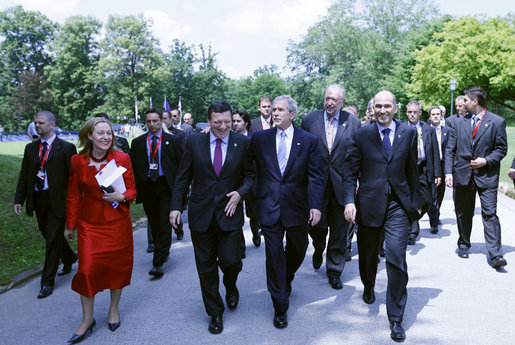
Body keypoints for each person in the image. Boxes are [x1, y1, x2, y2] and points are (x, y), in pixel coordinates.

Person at [170, 100, 255, 334]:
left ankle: (230, 285)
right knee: (205, 267)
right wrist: (176, 207)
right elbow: (183, 176)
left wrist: (240, 193)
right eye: (217, 122)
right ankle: (215, 312)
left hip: (230, 212)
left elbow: (250, 175)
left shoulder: (243, 143)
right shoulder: (194, 141)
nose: (223, 126)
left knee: (231, 261)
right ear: (208, 121)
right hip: (201, 214)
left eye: (228, 121)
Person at [343, 91, 421, 342]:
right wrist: (349, 201)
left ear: (396, 108)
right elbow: (349, 172)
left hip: (398, 205)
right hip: (368, 205)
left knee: (397, 258)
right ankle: (368, 284)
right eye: (379, 106)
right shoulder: (362, 134)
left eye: (388, 106)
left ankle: (396, 318)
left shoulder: (407, 133)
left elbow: (412, 171)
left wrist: (416, 203)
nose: (383, 110)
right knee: (368, 255)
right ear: (373, 109)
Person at [249, 95, 324, 329]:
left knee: (298, 249)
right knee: (273, 256)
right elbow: (251, 171)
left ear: (292, 114)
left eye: (281, 110)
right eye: (273, 109)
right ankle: (280, 305)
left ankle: (286, 278)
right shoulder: (260, 139)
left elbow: (316, 176)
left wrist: (315, 205)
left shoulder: (309, 140)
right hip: (269, 206)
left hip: (297, 207)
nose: (275, 113)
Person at [64, 117, 136, 343]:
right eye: (101, 133)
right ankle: (87, 319)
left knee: (117, 268)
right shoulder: (77, 161)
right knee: (86, 269)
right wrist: (70, 225)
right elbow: (74, 195)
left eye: (109, 133)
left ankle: (113, 310)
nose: (106, 137)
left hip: (117, 224)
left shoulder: (122, 158)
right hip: (89, 225)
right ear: (89, 137)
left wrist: (121, 196)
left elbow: (133, 190)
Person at [301, 84, 360, 289]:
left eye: (334, 100)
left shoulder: (353, 123)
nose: (330, 103)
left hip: (342, 185)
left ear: (342, 102)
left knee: (339, 229)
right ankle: (318, 247)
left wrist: (356, 182)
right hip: (315, 184)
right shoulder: (310, 120)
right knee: (316, 226)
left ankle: (334, 270)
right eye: (327, 98)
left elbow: (356, 156)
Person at [14, 110, 77, 299]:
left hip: (58, 201)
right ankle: (69, 257)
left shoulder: (66, 148)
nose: (37, 126)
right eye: (35, 123)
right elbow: (24, 176)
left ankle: (47, 282)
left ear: (52, 124)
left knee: (52, 239)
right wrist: (19, 199)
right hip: (38, 199)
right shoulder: (30, 149)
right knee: (48, 234)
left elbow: (73, 179)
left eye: (41, 123)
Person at [445, 86, 507, 269]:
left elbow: (501, 149)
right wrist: (449, 172)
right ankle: (463, 243)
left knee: (489, 214)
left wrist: (486, 161)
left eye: (465, 100)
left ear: (475, 102)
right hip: (463, 175)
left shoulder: (497, 122)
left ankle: (496, 255)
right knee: (463, 212)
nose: (461, 103)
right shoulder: (458, 122)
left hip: (487, 176)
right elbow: (450, 150)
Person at [131, 108, 183, 277]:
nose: (152, 125)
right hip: (148, 187)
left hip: (165, 187)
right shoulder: (138, 143)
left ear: (162, 121)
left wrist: (182, 189)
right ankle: (163, 249)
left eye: (155, 121)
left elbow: (180, 165)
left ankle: (158, 263)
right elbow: (133, 166)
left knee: (163, 223)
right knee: (153, 222)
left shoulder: (172, 141)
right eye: (148, 121)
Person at [405, 100, 441, 244]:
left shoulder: (428, 130)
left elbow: (435, 153)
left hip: (425, 169)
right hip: (408, 170)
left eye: (415, 112)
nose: (412, 115)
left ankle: (411, 219)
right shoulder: (402, 129)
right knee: (411, 200)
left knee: (428, 200)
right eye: (409, 112)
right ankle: (412, 231)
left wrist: (437, 173)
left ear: (420, 113)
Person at [233, 109, 261, 248]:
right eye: (234, 121)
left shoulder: (254, 138)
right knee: (236, 215)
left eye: (238, 121)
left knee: (253, 213)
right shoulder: (230, 138)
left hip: (251, 181)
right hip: (235, 182)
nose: (235, 124)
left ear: (246, 123)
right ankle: (240, 246)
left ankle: (256, 232)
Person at [427, 106, 452, 233]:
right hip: (429, 165)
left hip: (442, 165)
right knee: (432, 194)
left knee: (440, 192)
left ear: (442, 116)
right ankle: (434, 219)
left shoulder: (447, 130)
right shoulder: (425, 130)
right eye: (433, 114)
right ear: (429, 116)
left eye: (438, 114)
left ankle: (436, 212)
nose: (436, 116)